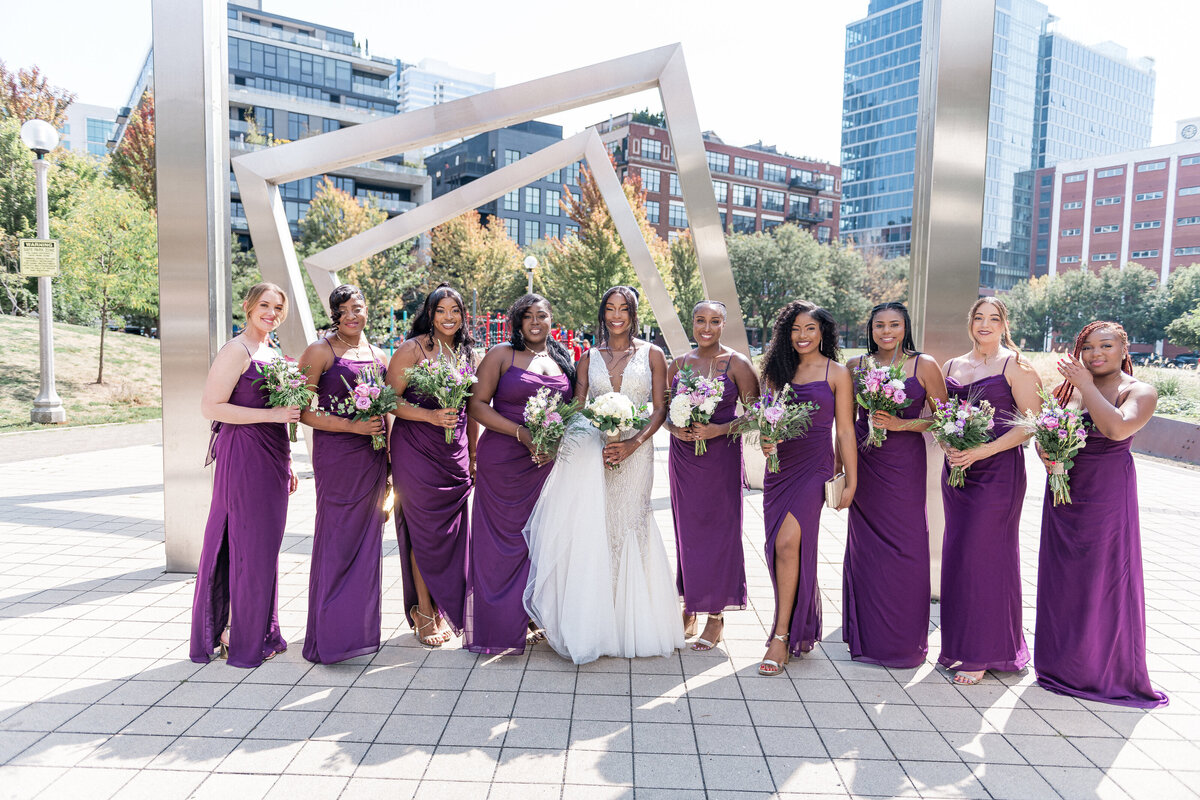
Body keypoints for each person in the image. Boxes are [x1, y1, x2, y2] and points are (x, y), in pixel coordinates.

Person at [523, 286, 685, 663]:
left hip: (636, 453)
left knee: (630, 523)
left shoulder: (653, 354)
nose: (616, 315)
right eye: (610, 308)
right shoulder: (588, 357)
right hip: (593, 454)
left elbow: (659, 409)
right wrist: (571, 439)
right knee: (594, 528)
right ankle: (594, 621)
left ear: (633, 313)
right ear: (602, 313)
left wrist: (632, 443)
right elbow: (578, 408)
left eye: (623, 309)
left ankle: (631, 624)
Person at [1034, 322, 1168, 708]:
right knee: (1063, 578)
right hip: (1064, 492)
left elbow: (1115, 429)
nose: (1095, 354)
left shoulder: (1139, 391)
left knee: (1102, 578)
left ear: (1123, 347)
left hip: (1106, 495)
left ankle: (1098, 670)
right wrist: (1048, 455)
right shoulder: (1071, 390)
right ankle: (1060, 665)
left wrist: (1087, 386)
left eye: (1105, 346)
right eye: (1087, 347)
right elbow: (1049, 433)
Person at [190, 283, 299, 668]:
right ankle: (233, 630)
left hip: (272, 457)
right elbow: (211, 407)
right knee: (245, 543)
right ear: (249, 307)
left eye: (278, 307)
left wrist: (288, 463)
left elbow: (283, 412)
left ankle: (258, 628)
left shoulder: (271, 352)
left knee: (264, 546)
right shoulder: (236, 350)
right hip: (244, 455)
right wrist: (271, 416)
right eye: (265, 305)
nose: (272, 312)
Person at [464, 294, 575, 655]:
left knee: (542, 541)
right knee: (503, 544)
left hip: (547, 464)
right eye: (527, 316)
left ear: (551, 317)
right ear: (517, 321)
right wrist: (522, 433)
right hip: (504, 462)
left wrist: (554, 442)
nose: (535, 322)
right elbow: (476, 405)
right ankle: (499, 626)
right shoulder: (501, 355)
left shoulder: (563, 359)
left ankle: (534, 617)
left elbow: (573, 409)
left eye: (541, 315)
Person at [939, 297, 1041, 685]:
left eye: (993, 319)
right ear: (970, 322)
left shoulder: (1015, 365)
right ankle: (961, 645)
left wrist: (983, 449)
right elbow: (943, 418)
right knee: (960, 555)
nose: (984, 324)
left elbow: (1031, 424)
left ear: (1004, 324)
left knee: (988, 557)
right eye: (978, 317)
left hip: (998, 473)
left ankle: (985, 651)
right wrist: (949, 444)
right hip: (957, 474)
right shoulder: (952, 366)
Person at [842, 303, 948, 668]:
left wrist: (902, 425)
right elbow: (842, 421)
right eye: (879, 326)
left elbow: (943, 419)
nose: (887, 332)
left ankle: (904, 641)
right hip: (864, 460)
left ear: (905, 328)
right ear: (870, 329)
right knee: (865, 547)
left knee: (907, 545)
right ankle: (866, 636)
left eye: (894, 325)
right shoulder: (855, 366)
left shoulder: (925, 365)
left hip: (903, 463)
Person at [758, 301, 857, 676]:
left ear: (823, 333)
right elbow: (765, 420)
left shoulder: (837, 373)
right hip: (779, 468)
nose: (802, 336)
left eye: (810, 329)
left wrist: (851, 479)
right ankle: (797, 621)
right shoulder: (776, 371)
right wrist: (766, 440)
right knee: (779, 548)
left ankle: (781, 635)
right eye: (795, 329)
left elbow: (845, 430)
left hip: (814, 467)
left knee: (788, 544)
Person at [295, 285, 389, 664]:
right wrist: (350, 427)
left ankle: (358, 632)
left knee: (368, 541)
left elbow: (389, 410)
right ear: (334, 314)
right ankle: (329, 635)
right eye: (344, 310)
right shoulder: (321, 350)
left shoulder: (380, 355)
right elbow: (300, 410)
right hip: (337, 456)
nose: (352, 315)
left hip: (373, 458)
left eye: (358, 308)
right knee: (337, 538)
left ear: (368, 310)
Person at [387, 284, 478, 647]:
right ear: (429, 313)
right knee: (424, 531)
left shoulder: (467, 353)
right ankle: (423, 611)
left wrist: (472, 454)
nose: (449, 317)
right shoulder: (413, 349)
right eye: (441, 310)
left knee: (452, 535)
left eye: (455, 310)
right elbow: (389, 399)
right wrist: (428, 415)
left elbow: (472, 407)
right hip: (416, 449)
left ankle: (442, 605)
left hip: (453, 453)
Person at [666, 300, 758, 651]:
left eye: (714, 321)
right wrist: (675, 429)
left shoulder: (737, 364)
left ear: (724, 323)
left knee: (719, 534)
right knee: (685, 532)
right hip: (684, 460)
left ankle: (716, 615)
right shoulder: (680, 363)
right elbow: (664, 411)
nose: (706, 327)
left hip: (719, 459)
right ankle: (691, 603)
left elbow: (757, 414)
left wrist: (719, 431)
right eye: (700, 320)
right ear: (692, 323)